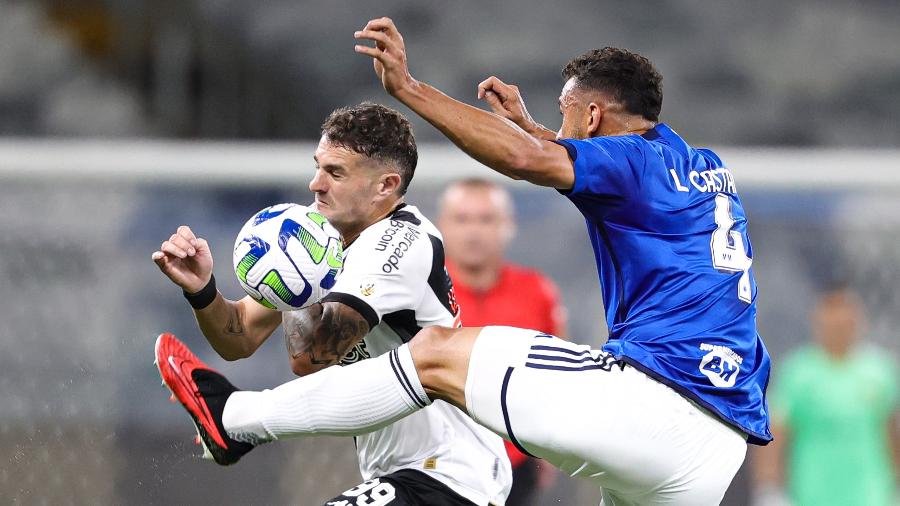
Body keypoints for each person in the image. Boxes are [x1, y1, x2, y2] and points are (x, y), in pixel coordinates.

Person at [156, 17, 772, 504]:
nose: (317, 184)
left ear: (591, 116)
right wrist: (533, 127)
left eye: (563, 118)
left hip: (659, 395)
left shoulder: (627, 164)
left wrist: (408, 89)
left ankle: (234, 416)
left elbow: (538, 162)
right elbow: (570, 156)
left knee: (435, 353)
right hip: (714, 447)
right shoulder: (700, 166)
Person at [152, 102, 512, 506]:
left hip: (452, 471)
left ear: (385, 185)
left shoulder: (402, 243)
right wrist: (203, 291)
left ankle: (235, 422)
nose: (315, 184)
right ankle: (233, 424)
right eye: (318, 166)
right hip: (401, 473)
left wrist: (300, 269)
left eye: (335, 173)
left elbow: (309, 357)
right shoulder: (320, 231)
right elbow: (239, 336)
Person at [439, 178, 564, 505]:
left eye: (486, 219)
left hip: (516, 461)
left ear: (508, 225)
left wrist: (549, 451)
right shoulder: (423, 293)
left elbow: (556, 377)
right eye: (463, 219)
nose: (474, 231)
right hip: (436, 459)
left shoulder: (536, 292)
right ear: (443, 226)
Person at [753, 287, 898, 506]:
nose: (838, 325)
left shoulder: (880, 371)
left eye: (845, 317)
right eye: (831, 318)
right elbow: (775, 434)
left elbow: (892, 433)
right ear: (818, 322)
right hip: (811, 496)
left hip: (873, 495)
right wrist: (768, 489)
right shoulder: (798, 372)